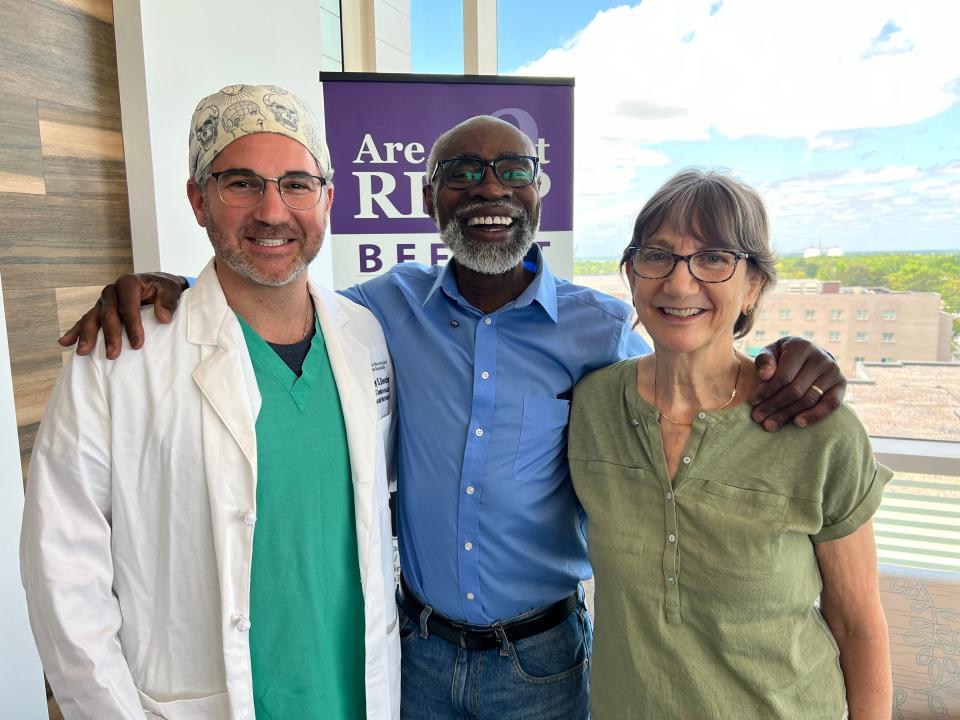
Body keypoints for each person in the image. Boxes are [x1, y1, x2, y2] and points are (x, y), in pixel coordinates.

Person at [60, 115, 846, 719]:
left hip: (544, 661)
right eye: (464, 173)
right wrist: (168, 286)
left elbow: (694, 348)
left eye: (513, 171)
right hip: (416, 654)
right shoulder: (377, 312)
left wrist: (788, 353)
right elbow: (272, 293)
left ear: (540, 191)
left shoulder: (600, 329)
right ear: (431, 196)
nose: (490, 191)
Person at [21, 84, 400, 720]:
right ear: (198, 199)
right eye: (242, 184)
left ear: (328, 200)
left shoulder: (364, 335)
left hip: (355, 694)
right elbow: (62, 570)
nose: (274, 210)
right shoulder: (121, 356)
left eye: (297, 184)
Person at [568, 169, 892, 719]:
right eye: (657, 255)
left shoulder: (819, 430)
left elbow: (859, 625)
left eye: (714, 258)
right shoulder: (592, 405)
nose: (678, 282)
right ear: (631, 275)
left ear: (754, 285)